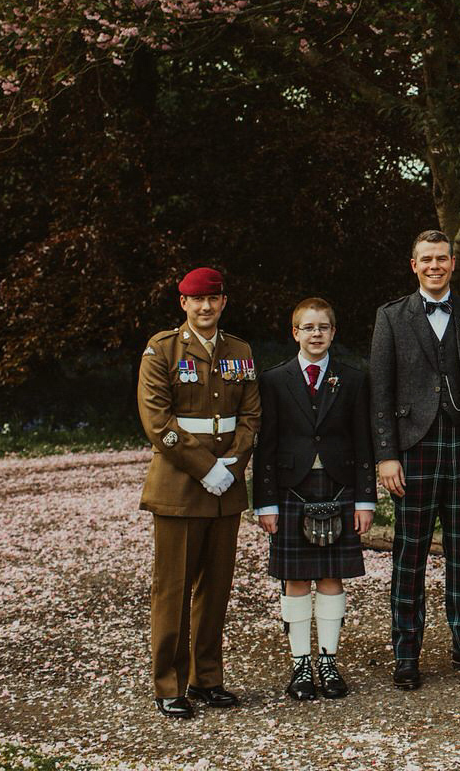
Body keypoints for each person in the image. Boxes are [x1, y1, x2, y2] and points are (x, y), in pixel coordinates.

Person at [369, 230, 460, 690]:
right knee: (410, 554)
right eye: (425, 259)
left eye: (441, 259)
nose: (434, 266)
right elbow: (380, 392)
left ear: (452, 263)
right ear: (414, 265)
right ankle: (406, 653)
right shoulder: (391, 317)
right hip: (414, 449)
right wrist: (386, 455)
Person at [137, 267, 260, 718]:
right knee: (173, 588)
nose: (205, 307)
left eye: (213, 299)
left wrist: (233, 464)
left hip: (225, 487)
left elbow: (250, 417)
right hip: (179, 486)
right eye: (196, 300)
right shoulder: (162, 350)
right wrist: (206, 467)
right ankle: (169, 683)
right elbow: (157, 422)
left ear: (223, 301)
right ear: (182, 303)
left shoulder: (240, 351)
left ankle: (206, 678)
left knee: (216, 588)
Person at [253, 297, 376, 701]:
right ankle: (300, 663)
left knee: (330, 578)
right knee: (294, 580)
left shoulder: (353, 379)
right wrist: (265, 503)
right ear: (295, 333)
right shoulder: (273, 379)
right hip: (291, 490)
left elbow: (364, 443)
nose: (316, 334)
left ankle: (328, 659)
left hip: (339, 488)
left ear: (333, 332)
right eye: (308, 327)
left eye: (323, 327)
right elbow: (265, 445)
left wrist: (365, 500)